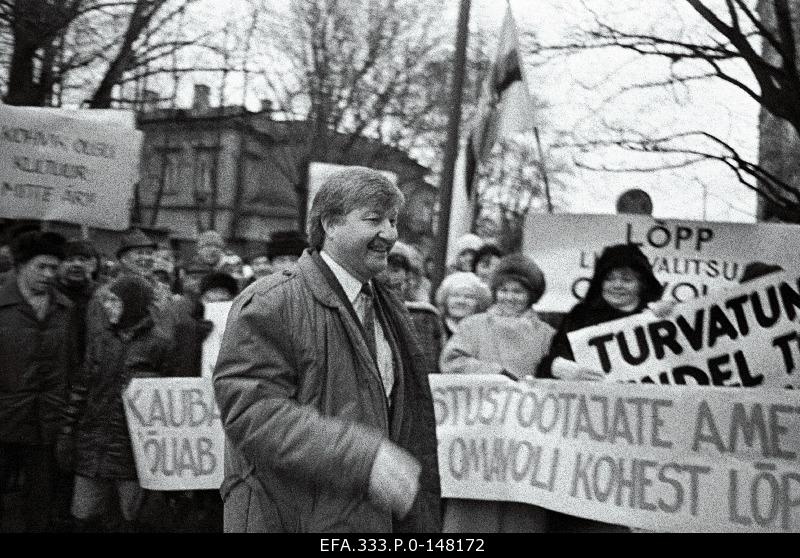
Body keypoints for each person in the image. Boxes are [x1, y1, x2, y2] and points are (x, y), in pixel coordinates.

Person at [213, 167, 441, 532]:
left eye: (393, 220)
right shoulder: (272, 301)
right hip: (288, 518)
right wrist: (363, 459)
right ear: (331, 225)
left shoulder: (387, 305)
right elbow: (251, 412)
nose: (390, 234)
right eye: (374, 220)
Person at [536, 243, 664, 533]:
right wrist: (562, 368)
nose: (617, 285)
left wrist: (666, 321)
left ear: (642, 283)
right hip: (583, 444)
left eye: (627, 279)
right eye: (610, 278)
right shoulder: (580, 316)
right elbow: (545, 367)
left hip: (638, 447)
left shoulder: (660, 320)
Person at [439, 254, 555, 532]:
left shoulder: (546, 334)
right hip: (477, 436)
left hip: (526, 440)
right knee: (474, 514)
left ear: (532, 295)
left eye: (518, 291)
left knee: (520, 512)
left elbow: (553, 378)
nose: (509, 297)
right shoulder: (473, 325)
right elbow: (451, 362)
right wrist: (493, 372)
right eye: (503, 290)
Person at [58, 276, 175, 532]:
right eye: (107, 300)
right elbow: (80, 390)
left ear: (132, 304)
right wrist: (67, 432)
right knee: (83, 514)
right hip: (93, 446)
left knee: (132, 518)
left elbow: (172, 400)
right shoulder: (100, 341)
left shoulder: (160, 345)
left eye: (114, 301)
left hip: (134, 451)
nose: (107, 306)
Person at [0, 231, 79, 532]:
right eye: (41, 266)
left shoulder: (65, 309)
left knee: (39, 507)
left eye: (53, 267)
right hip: (4, 419)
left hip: (46, 423)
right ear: (20, 265)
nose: (49, 274)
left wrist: (66, 418)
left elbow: (72, 366)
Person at [434, 271, 492, 339]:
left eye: (469, 296)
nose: (461, 301)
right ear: (445, 300)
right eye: (455, 295)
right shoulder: (434, 328)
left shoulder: (486, 332)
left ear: (479, 303)